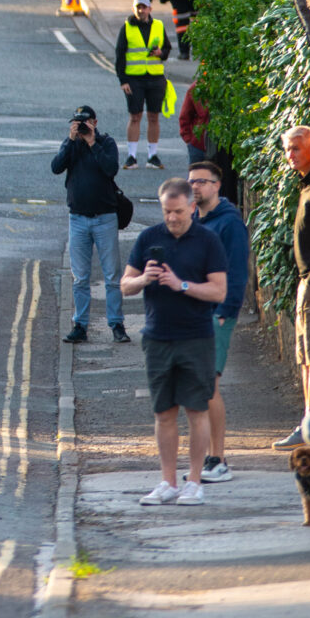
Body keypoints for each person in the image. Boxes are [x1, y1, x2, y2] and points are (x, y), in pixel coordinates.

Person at [122, 176, 228, 507]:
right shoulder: (148, 238)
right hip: (157, 338)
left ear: (192, 208)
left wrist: (181, 285)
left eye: (178, 211)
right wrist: (144, 278)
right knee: (164, 414)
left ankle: (194, 482)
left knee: (196, 411)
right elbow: (124, 285)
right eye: (167, 211)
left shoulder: (208, 241)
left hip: (196, 338)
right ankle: (167, 482)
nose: (171, 218)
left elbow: (219, 291)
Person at [187, 160, 250, 482]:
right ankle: (207, 458)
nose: (195, 187)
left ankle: (219, 459)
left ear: (217, 186)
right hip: (194, 314)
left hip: (216, 314)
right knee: (199, 387)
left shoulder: (230, 223)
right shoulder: (194, 220)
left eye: (202, 181)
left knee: (209, 386)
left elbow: (237, 271)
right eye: (191, 182)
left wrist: (226, 311)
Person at [53, 104, 128, 345]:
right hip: (78, 219)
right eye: (77, 123)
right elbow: (56, 167)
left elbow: (111, 169)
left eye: (85, 123)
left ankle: (116, 324)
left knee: (112, 276)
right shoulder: (72, 145)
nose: (81, 127)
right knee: (80, 278)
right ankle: (80, 325)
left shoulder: (106, 143)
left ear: (94, 123)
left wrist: (92, 142)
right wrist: (70, 140)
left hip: (105, 218)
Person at [275, 126, 310, 450]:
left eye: (296, 148)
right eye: (287, 149)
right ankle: (307, 426)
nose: (290, 155)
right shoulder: (308, 184)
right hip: (308, 282)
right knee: (305, 356)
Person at [116, 0, 171, 169]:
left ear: (150, 9)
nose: (141, 10)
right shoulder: (127, 28)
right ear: (134, 9)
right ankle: (131, 156)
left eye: (144, 7)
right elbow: (119, 55)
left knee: (154, 116)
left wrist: (160, 53)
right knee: (135, 116)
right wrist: (123, 80)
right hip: (134, 79)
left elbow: (167, 49)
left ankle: (152, 156)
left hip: (155, 78)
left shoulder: (158, 25)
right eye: (138, 7)